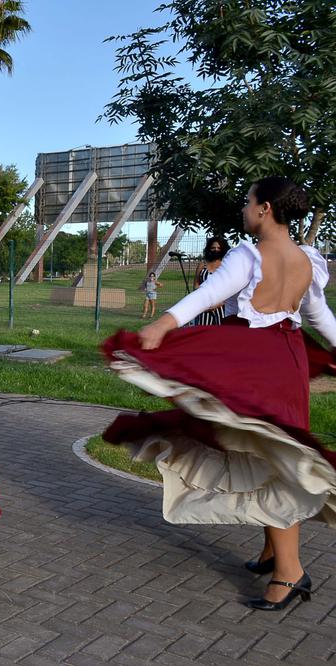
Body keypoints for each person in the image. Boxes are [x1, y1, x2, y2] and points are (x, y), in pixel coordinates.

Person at [102, 177, 336, 611]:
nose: (243, 210)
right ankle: (272, 554)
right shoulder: (308, 260)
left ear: (265, 209)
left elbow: (209, 294)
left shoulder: (250, 255)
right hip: (288, 361)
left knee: (273, 456)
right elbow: (319, 315)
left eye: (248, 202)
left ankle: (291, 572)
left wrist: (163, 323)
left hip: (255, 363)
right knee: (270, 449)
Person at [189, 236, 230, 326]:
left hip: (221, 306)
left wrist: (218, 304)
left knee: (221, 333)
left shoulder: (226, 265)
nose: (216, 250)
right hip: (204, 306)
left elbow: (230, 289)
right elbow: (196, 285)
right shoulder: (202, 265)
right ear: (209, 249)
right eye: (213, 248)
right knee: (203, 333)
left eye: (219, 248)